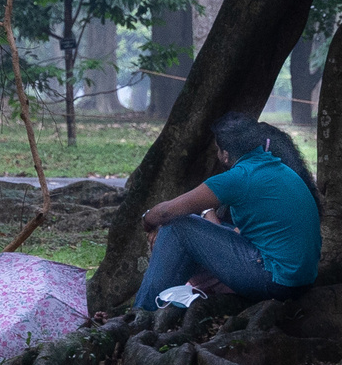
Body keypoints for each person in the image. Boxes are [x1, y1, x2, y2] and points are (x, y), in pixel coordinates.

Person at [131, 114, 320, 311]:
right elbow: (230, 237)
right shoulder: (278, 167)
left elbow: (165, 212)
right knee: (190, 229)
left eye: (218, 150)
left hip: (275, 280)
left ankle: (141, 312)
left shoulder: (239, 177)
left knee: (178, 227)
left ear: (226, 154)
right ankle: (168, 305)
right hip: (301, 281)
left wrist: (147, 221)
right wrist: (207, 215)